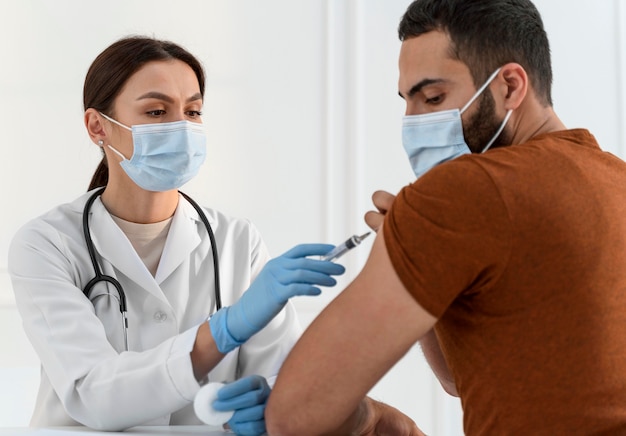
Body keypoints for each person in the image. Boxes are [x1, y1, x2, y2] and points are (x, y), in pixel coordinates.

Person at [265, 0, 626, 434]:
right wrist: (416, 252)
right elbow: (461, 377)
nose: (411, 123)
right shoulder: (613, 177)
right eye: (407, 101)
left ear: (510, 86)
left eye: (433, 98)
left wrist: (370, 416)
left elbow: (294, 414)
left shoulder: (464, 191)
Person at [8, 35, 346, 434]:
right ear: (97, 126)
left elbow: (279, 379)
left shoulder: (237, 240)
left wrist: (269, 403)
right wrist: (222, 331)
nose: (181, 128)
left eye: (193, 111)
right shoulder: (46, 244)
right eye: (156, 111)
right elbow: (93, 392)